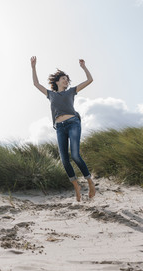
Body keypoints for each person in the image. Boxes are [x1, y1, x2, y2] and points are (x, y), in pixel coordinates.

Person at [30, 56, 95, 202]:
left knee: (75, 155)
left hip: (73, 123)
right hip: (59, 127)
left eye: (67, 79)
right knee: (64, 160)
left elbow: (90, 80)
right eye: (64, 78)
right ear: (57, 81)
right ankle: (76, 186)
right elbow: (36, 83)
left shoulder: (71, 91)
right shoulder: (51, 94)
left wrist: (84, 67)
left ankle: (90, 182)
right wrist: (33, 67)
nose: (66, 81)